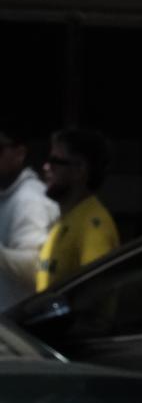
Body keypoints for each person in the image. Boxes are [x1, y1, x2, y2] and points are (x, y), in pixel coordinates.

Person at [36, 127, 117, 292]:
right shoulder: (65, 219)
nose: (46, 167)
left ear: (80, 170)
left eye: (55, 162)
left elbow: (95, 299)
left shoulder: (94, 228)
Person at [0, 124, 57, 308]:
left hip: (18, 326)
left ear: (20, 153)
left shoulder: (30, 200)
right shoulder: (7, 194)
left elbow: (36, 268)